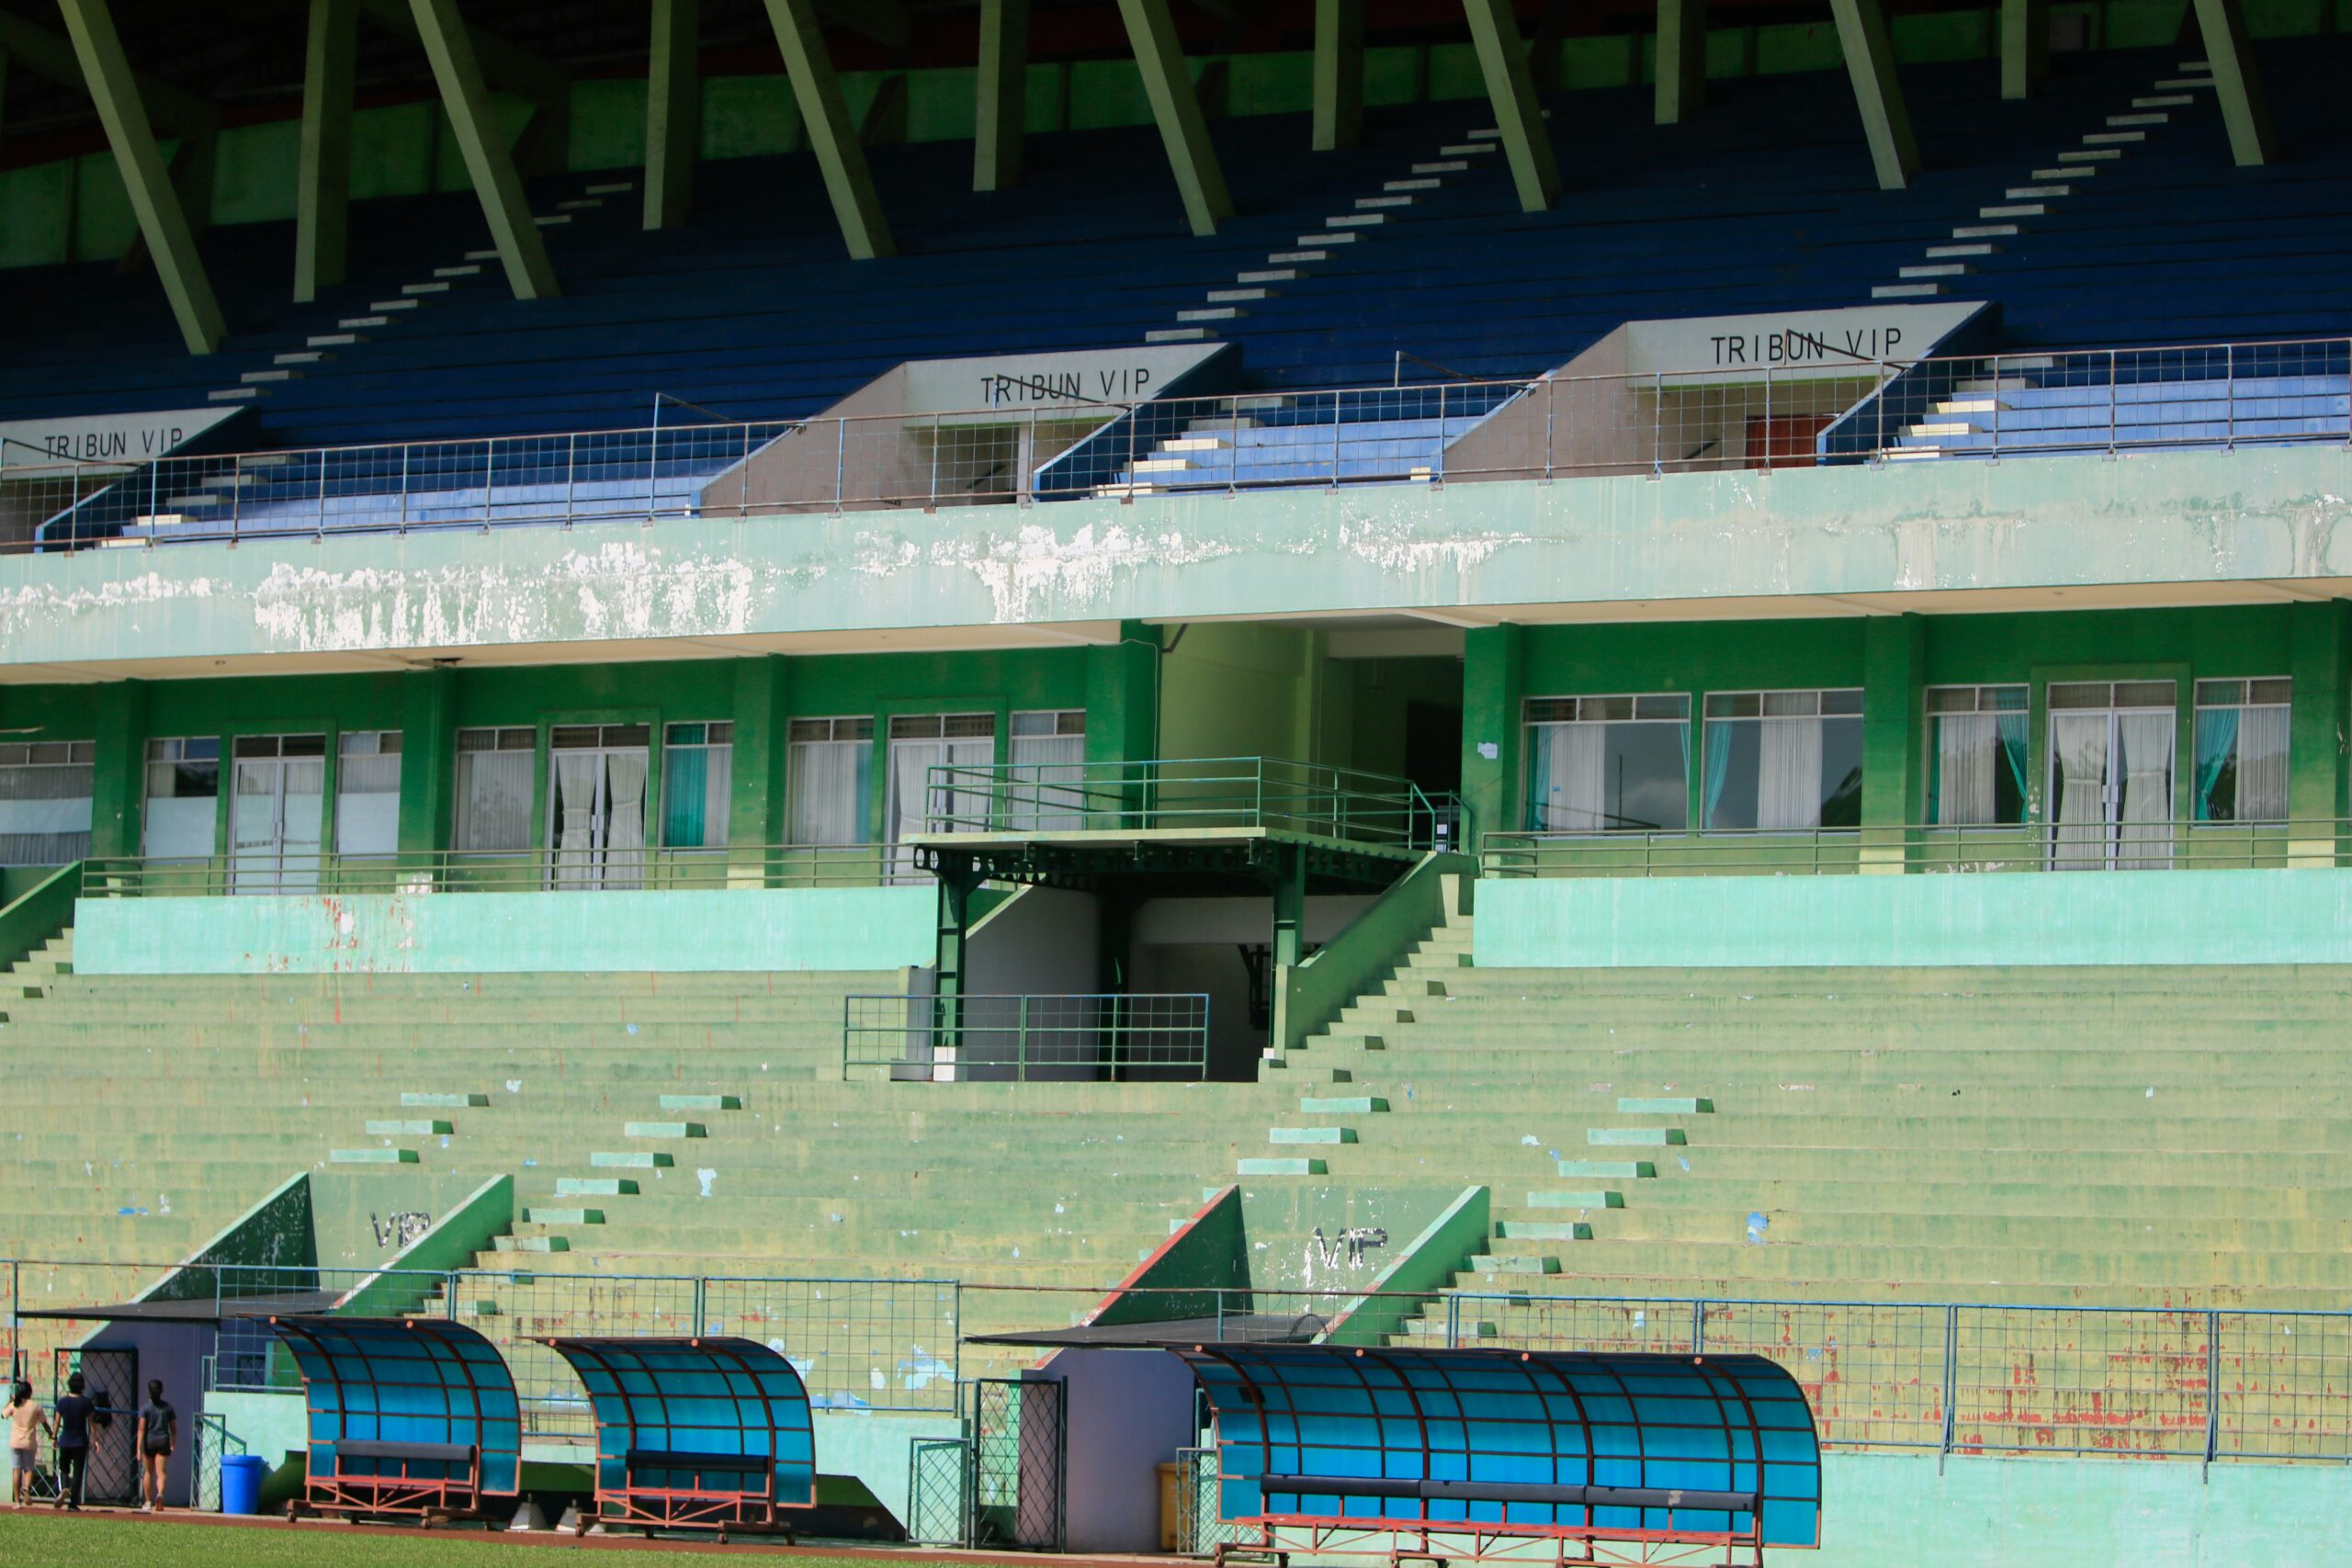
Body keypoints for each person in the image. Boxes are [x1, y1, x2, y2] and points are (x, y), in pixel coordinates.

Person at [51, 1373, 96, 1511]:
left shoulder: (62, 1402)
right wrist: (95, 1440)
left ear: (69, 1384)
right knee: (78, 1473)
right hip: (80, 1441)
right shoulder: (86, 1403)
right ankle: (73, 1503)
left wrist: (54, 1437)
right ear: (82, 1386)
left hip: (65, 1440)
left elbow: (57, 1421)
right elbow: (91, 1423)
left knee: (64, 1468)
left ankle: (63, 1488)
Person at [5, 1381, 52, 1507]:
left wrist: (10, 1401)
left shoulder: (14, 1405)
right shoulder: (35, 1406)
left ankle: (16, 1500)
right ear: (30, 1392)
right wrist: (51, 1434)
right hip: (29, 1441)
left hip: (15, 1441)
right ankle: (25, 1489)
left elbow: (3, 1415)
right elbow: (44, 1423)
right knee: (29, 1468)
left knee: (16, 1469)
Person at [135, 1380, 175, 1513]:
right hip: (163, 1440)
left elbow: (141, 1428)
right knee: (161, 1472)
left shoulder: (145, 1408)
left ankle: (147, 1501)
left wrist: (138, 1448)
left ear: (148, 1391)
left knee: (148, 1472)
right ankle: (160, 1494)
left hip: (149, 1441)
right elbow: (173, 1428)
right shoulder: (168, 1408)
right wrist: (173, 1442)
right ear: (161, 1391)